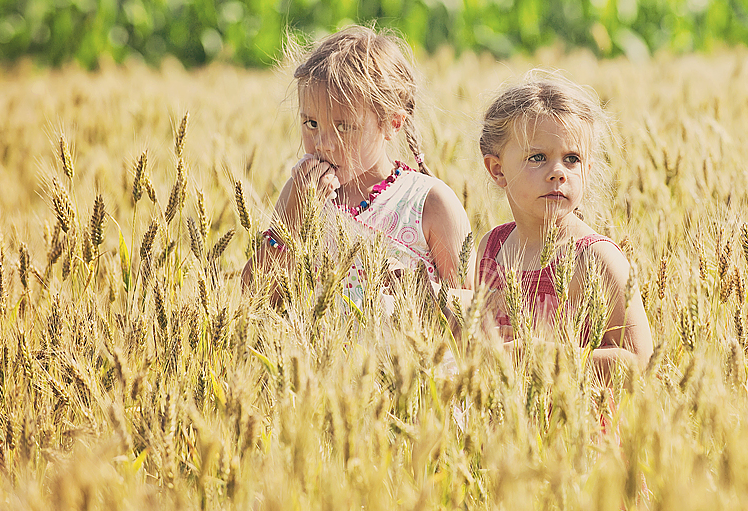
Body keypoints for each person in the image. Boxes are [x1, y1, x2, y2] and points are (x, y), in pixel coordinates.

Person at [241, 26, 471, 312]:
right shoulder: (299, 192)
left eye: (344, 127)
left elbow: (473, 314)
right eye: (311, 124)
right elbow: (254, 299)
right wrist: (295, 217)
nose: (323, 144)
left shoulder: (431, 204)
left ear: (392, 123)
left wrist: (423, 295)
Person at [476, 73, 652, 382]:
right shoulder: (491, 248)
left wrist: (542, 356)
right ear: (497, 169)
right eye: (538, 157)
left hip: (577, 425)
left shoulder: (596, 259)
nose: (558, 172)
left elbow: (639, 361)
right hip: (506, 425)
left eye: (572, 159)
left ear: (588, 169)